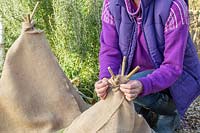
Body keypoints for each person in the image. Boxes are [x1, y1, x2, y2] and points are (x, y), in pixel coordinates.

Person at [95, 0, 200, 132]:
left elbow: (172, 67)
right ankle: (148, 112)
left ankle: (170, 112)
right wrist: (105, 79)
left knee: (159, 127)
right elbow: (109, 51)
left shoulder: (174, 6)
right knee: (123, 111)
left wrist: (142, 85)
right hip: (136, 83)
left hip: (175, 83)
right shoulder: (111, 4)